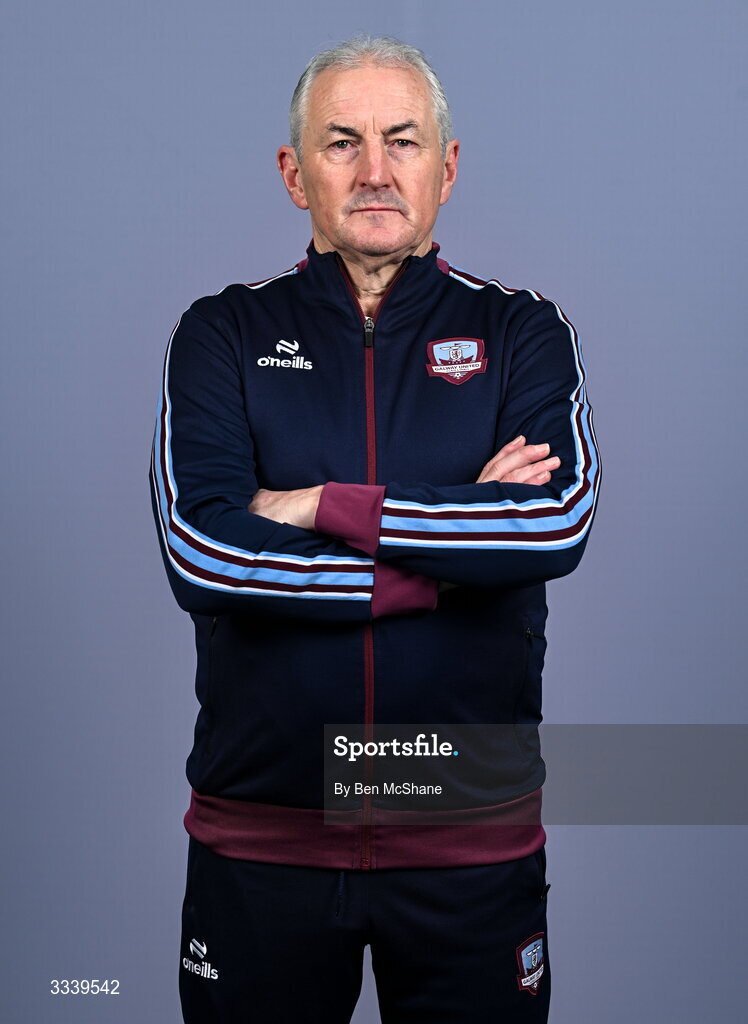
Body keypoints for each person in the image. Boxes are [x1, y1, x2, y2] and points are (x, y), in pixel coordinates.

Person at [149, 34, 600, 1024]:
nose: (374, 171)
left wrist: (319, 506)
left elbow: (551, 523)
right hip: (262, 845)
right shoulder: (219, 333)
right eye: (341, 142)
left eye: (401, 142)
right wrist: (443, 565)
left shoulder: (520, 331)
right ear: (293, 173)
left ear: (445, 166)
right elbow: (204, 549)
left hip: (467, 849)